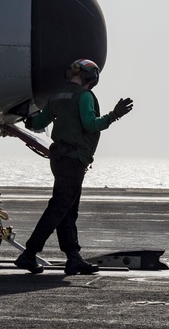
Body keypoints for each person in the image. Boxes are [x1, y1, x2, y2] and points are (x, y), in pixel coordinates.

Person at [14, 59, 134, 275]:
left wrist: (24, 116)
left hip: (59, 158)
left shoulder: (59, 94)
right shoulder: (84, 96)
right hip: (74, 159)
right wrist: (114, 115)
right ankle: (29, 254)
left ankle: (73, 257)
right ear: (91, 77)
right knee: (60, 207)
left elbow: (38, 123)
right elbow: (91, 124)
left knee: (67, 210)